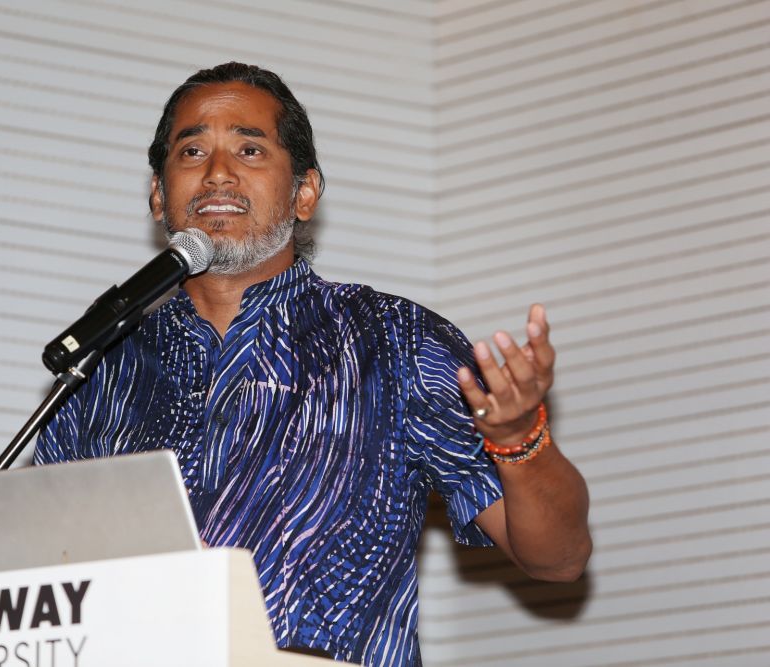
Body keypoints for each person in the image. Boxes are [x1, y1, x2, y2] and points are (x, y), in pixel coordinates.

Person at [35, 62, 591, 667]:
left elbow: (559, 558)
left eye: (249, 149)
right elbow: (37, 580)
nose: (218, 173)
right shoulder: (103, 368)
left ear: (305, 193)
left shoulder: (395, 341)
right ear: (157, 195)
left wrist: (518, 439)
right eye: (192, 151)